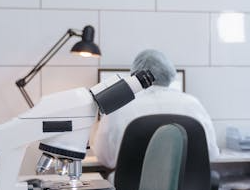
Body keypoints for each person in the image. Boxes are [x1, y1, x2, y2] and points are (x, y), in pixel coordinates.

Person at [91, 49, 220, 170]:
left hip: (132, 189)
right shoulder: (192, 104)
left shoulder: (120, 104)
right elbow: (212, 153)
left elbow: (105, 158)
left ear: (135, 76)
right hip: (185, 189)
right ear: (169, 73)